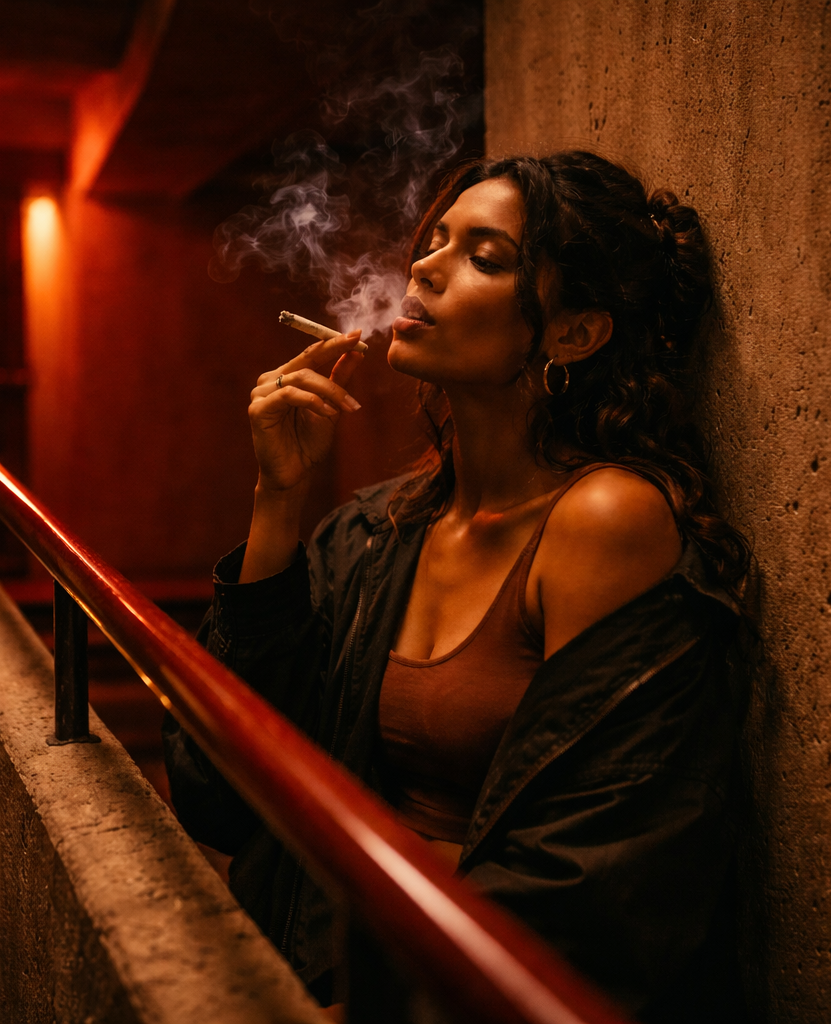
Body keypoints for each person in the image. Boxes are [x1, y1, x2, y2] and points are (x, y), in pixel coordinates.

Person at [164, 152, 752, 1022]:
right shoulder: (380, 526)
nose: (424, 267)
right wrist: (279, 503)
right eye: (434, 242)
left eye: (484, 257)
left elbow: (596, 881)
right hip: (342, 969)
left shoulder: (604, 521)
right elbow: (217, 788)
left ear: (575, 333)